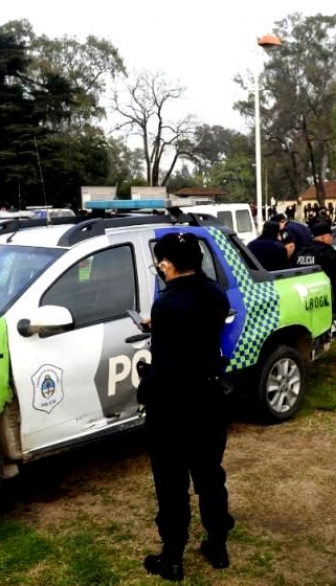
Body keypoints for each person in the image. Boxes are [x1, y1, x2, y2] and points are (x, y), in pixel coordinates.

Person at [136, 232, 234, 582]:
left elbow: (167, 366)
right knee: (210, 477)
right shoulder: (216, 294)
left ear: (168, 265)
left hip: (173, 409)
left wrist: (145, 385)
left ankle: (173, 557)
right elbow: (198, 332)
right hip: (208, 399)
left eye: (161, 262)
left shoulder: (166, 305)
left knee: (171, 484)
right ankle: (217, 544)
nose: (159, 268)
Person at [293, 221, 336, 362]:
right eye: (331, 236)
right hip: (326, 299)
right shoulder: (328, 253)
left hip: (303, 300)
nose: (332, 239)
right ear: (325, 237)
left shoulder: (301, 252)